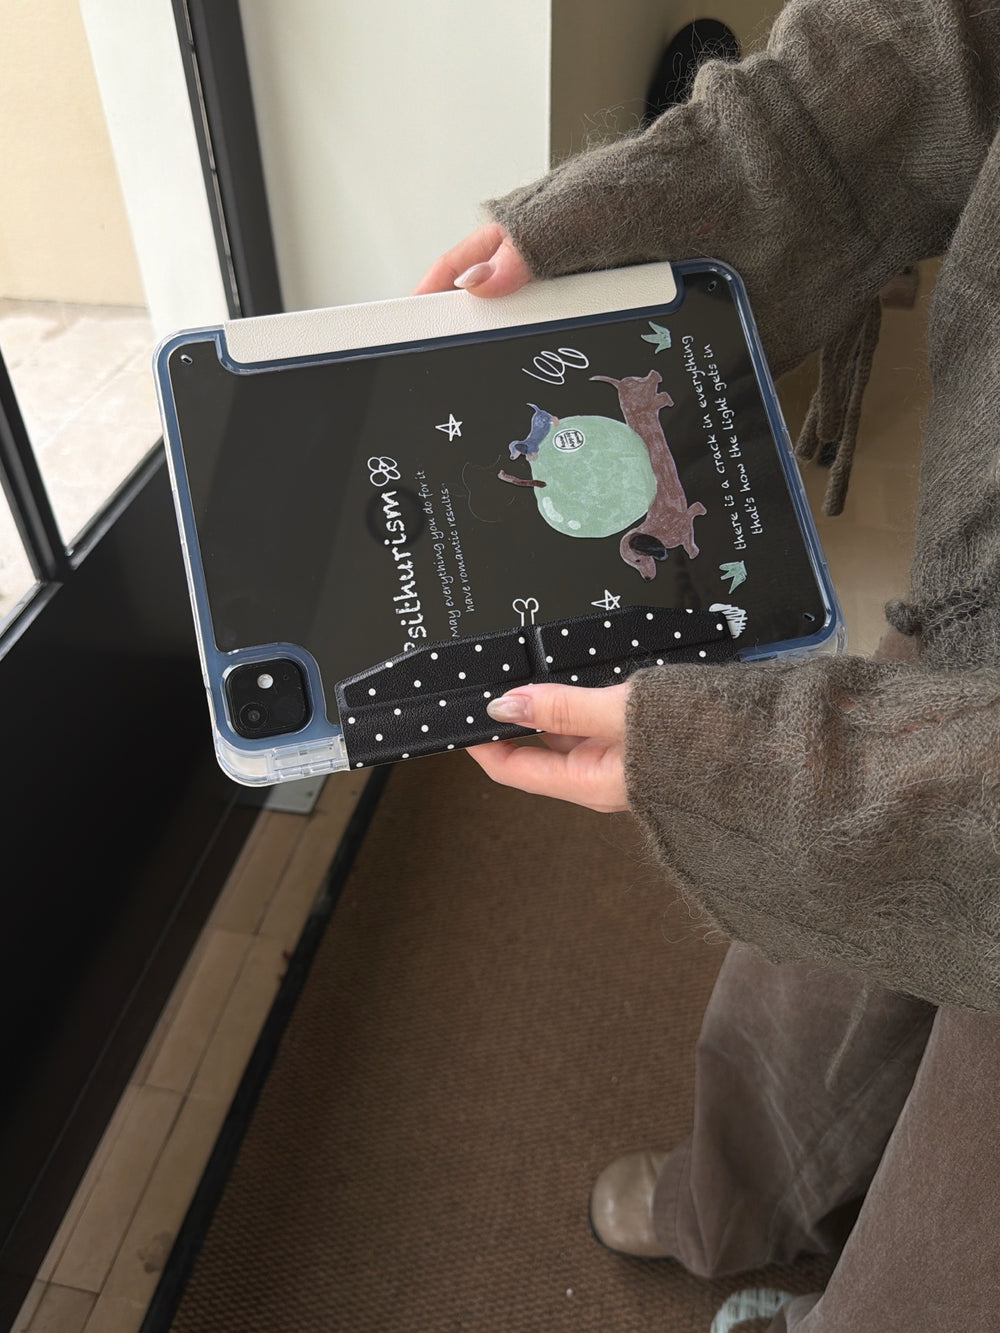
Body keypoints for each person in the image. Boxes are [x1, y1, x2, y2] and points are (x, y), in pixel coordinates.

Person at [414, 1, 1000, 1329]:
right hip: (972, 606)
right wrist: (631, 231)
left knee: (952, 1237)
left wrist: (749, 762)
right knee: (806, 983)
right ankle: (732, 1201)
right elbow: (942, 37)